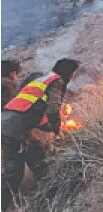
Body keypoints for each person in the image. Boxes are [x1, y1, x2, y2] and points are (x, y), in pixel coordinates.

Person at [1, 58, 79, 209]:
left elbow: (32, 112)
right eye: (73, 74)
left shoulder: (41, 78)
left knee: (37, 155)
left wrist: (49, 128)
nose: (72, 78)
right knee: (14, 174)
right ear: (68, 73)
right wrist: (57, 131)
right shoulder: (57, 82)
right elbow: (52, 110)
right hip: (13, 130)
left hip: (11, 123)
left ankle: (47, 194)